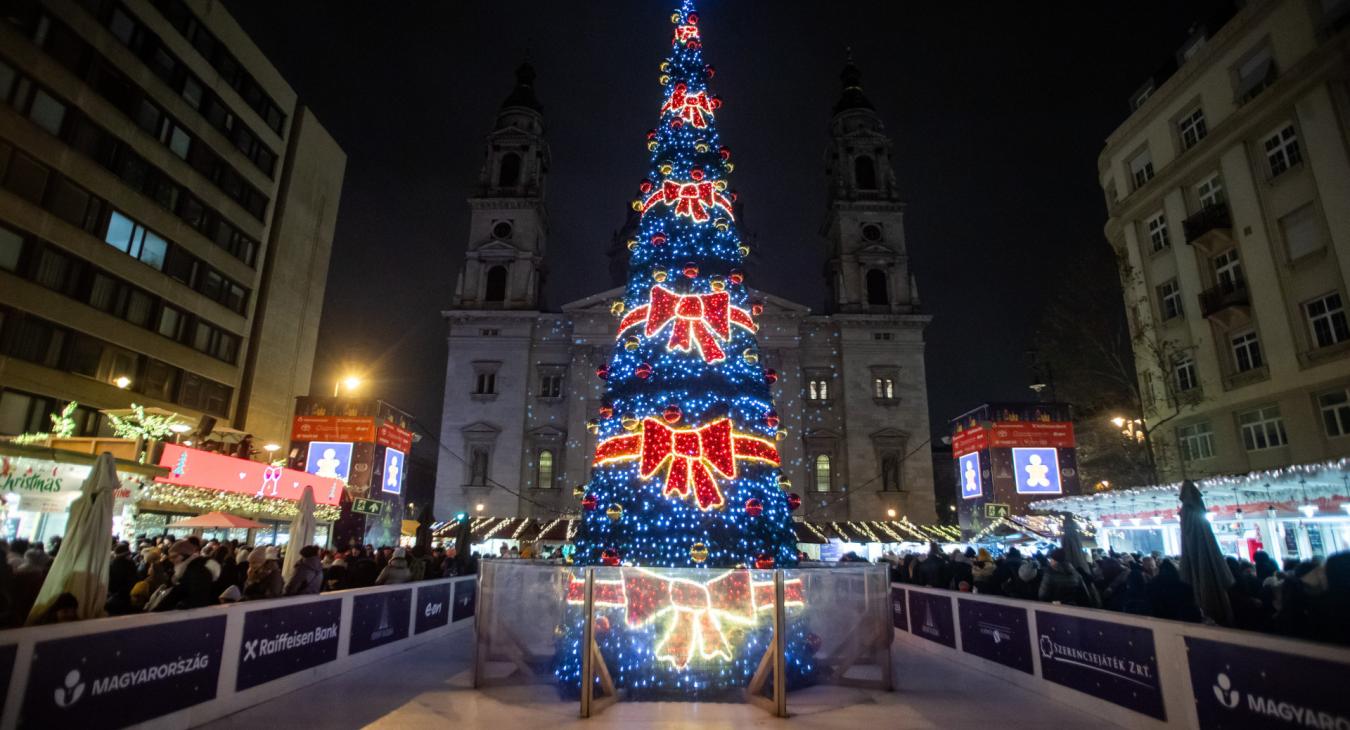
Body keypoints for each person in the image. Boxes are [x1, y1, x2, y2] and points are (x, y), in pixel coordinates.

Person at [105, 543, 138, 615]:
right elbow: (134, 579)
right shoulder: (130, 564)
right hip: (127, 595)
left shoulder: (112, 564)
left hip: (114, 594)